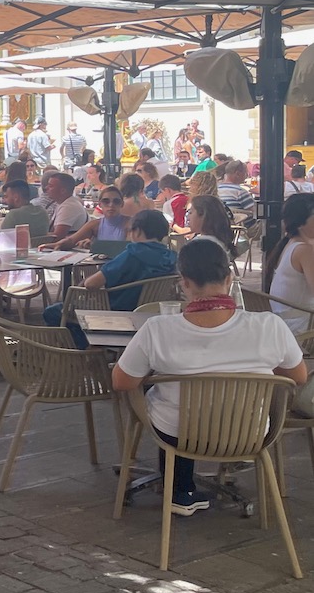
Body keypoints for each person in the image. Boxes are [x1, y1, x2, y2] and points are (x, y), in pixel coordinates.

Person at [114, 237, 307, 516]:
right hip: (250, 434)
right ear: (229, 278)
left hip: (178, 435)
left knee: (156, 394)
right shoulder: (270, 326)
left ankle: (178, 488)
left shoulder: (158, 329)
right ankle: (184, 488)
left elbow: (122, 382)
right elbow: (298, 376)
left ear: (184, 282)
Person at [43, 209, 176, 330]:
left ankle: (88, 346)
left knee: (52, 312)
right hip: (149, 311)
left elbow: (92, 284)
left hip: (114, 309)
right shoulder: (170, 256)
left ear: (138, 230)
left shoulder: (132, 254)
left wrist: (81, 285)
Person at [264, 192, 314, 330]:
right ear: (302, 222)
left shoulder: (289, 244)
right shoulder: (305, 250)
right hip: (301, 329)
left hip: (284, 326)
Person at [50, 186, 130, 250]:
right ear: (100, 204)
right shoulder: (94, 225)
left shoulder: (131, 224)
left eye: (116, 201)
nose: (111, 205)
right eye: (106, 201)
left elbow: (128, 248)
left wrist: (94, 245)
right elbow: (71, 240)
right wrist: (56, 245)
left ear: (122, 204)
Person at [38, 171, 89, 238]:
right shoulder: (63, 203)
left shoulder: (69, 207)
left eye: (50, 186)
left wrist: (33, 236)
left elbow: (57, 237)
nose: (46, 188)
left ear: (63, 190)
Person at [186, 195, 238, 260]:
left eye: (190, 213)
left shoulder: (200, 245)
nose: (188, 218)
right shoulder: (219, 240)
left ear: (203, 216)